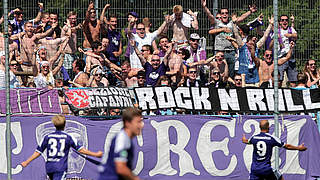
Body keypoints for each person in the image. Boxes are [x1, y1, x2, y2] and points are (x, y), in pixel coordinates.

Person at [21, 115, 103, 180]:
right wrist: (95, 154)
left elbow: (38, 152)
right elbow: (81, 150)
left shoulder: (47, 137)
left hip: (50, 167)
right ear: (64, 124)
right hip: (60, 167)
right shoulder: (68, 137)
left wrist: (27, 161)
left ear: (54, 124)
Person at [201, 0, 257, 78]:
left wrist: (250, 11)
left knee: (230, 74)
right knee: (219, 73)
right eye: (223, 13)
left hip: (231, 52)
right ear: (220, 15)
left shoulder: (231, 23)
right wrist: (204, 7)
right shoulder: (217, 22)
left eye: (226, 13)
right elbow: (209, 15)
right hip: (220, 52)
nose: (225, 15)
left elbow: (241, 18)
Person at [242, 120, 307, 180]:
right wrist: (298, 148)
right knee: (280, 177)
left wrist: (244, 139)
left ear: (259, 127)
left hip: (255, 169)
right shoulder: (271, 138)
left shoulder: (254, 137)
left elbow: (247, 141)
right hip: (266, 169)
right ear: (268, 127)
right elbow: (287, 146)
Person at [98, 107, 144, 180]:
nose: (142, 125)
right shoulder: (122, 138)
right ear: (127, 123)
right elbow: (121, 168)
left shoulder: (126, 138)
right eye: (138, 122)